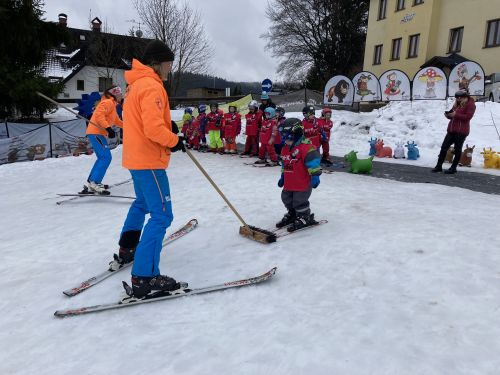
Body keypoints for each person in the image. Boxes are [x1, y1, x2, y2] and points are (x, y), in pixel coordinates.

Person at [116, 39, 186, 299]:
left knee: (142, 204)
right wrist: (175, 140)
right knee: (162, 215)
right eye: (169, 63)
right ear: (158, 63)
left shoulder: (135, 85)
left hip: (135, 158)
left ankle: (128, 248)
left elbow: (137, 119)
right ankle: (144, 276)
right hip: (148, 161)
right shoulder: (152, 87)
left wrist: (170, 128)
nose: (170, 68)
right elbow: (153, 129)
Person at [276, 118, 322, 232]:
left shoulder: (307, 148)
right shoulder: (285, 149)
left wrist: (315, 176)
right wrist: (282, 176)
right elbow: (284, 164)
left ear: (296, 135)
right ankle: (293, 214)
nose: (285, 141)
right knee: (286, 198)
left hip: (302, 183)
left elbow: (314, 163)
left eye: (288, 138)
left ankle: (304, 216)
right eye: (283, 138)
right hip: (289, 182)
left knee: (299, 201)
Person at [82, 85, 123, 195]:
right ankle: (95, 183)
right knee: (106, 157)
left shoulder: (112, 106)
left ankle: (91, 182)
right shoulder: (107, 102)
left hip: (98, 133)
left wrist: (131, 127)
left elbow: (117, 121)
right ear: (114, 94)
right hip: (96, 132)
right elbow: (100, 115)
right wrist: (108, 128)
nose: (121, 96)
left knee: (102, 157)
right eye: (119, 94)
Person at [432, 89, 476, 174]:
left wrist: (456, 114)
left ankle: (453, 168)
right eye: (457, 97)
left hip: (461, 131)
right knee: (444, 147)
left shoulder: (471, 105)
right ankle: (438, 166)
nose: (458, 99)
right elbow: (453, 115)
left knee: (457, 149)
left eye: (460, 97)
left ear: (465, 97)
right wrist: (448, 115)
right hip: (452, 129)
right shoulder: (457, 104)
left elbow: (468, 117)